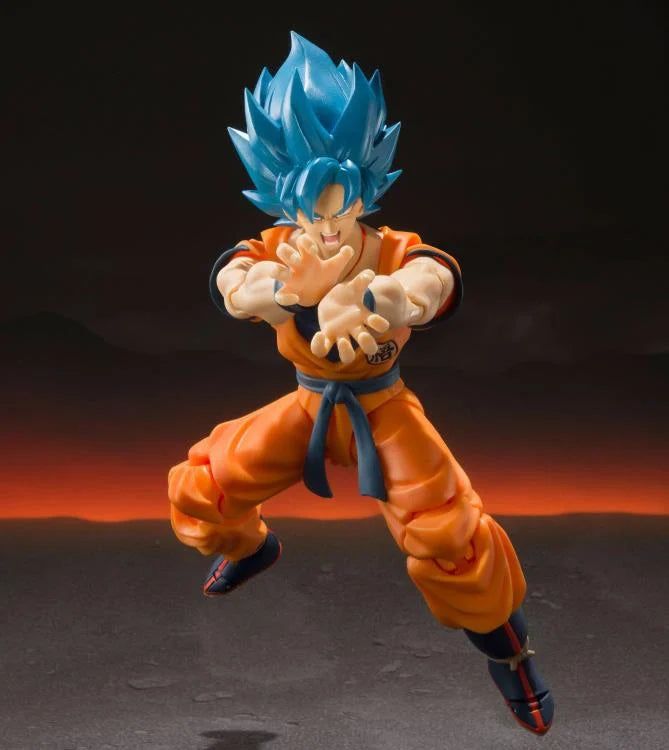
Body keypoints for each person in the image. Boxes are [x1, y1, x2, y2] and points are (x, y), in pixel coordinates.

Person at [168, 32, 553, 735]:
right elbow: (236, 284)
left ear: (364, 188)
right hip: (307, 406)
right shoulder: (273, 249)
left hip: (384, 411)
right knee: (201, 489)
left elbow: (433, 280)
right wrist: (285, 292)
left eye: (337, 204)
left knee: (451, 539)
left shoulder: (394, 249)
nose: (324, 224)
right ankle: (252, 549)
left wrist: (380, 297)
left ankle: (512, 658)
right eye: (306, 209)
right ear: (280, 194)